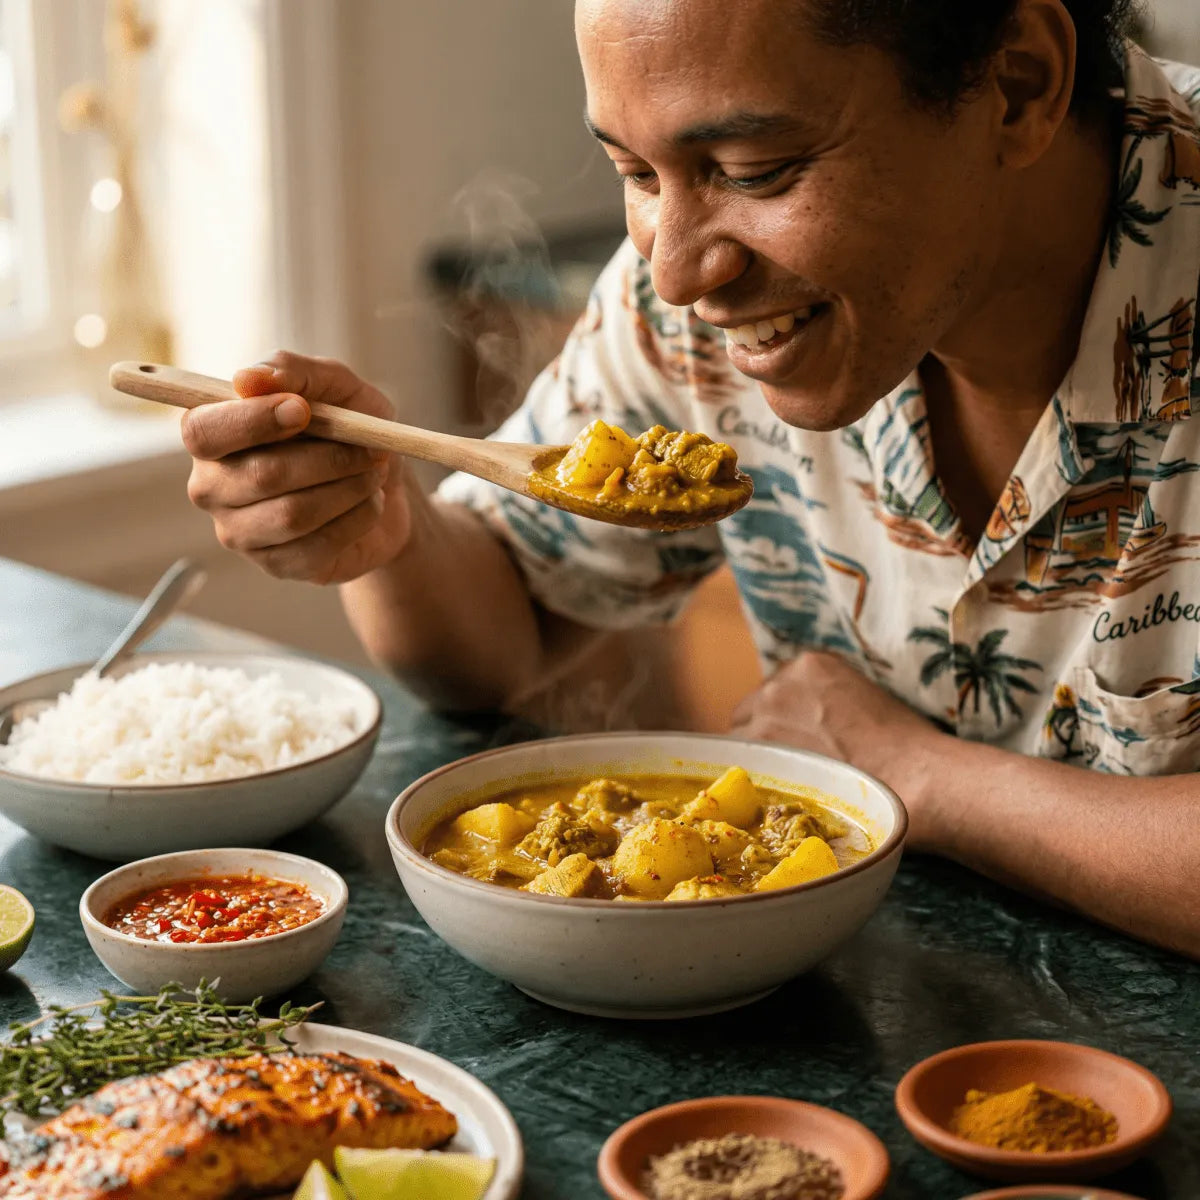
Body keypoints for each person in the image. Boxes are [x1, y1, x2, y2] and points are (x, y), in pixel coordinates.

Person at [180, 0, 1200, 957]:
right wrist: (380, 525)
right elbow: (501, 629)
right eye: (634, 172)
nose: (673, 271)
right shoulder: (693, 303)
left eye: (754, 169)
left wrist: (926, 780)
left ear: (1018, 84)